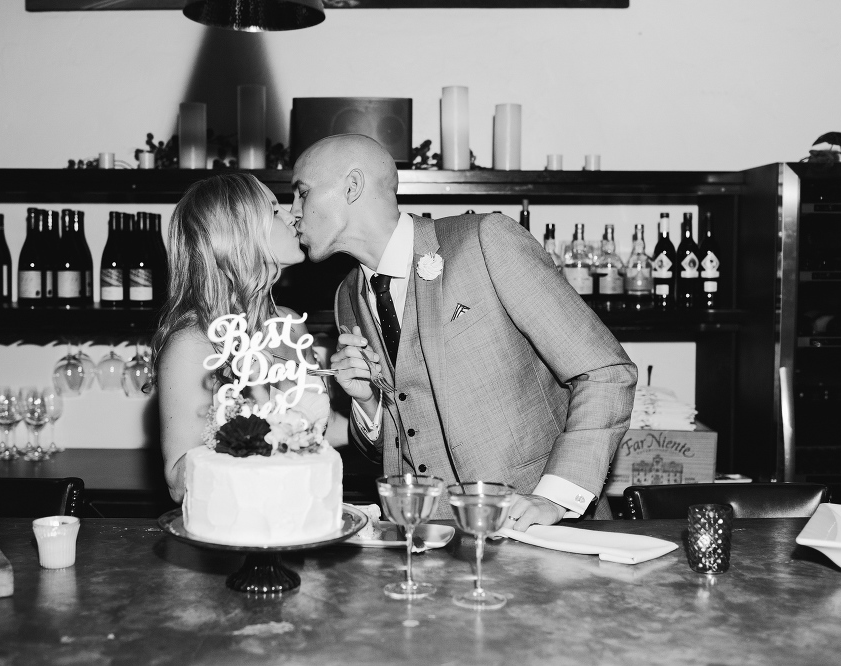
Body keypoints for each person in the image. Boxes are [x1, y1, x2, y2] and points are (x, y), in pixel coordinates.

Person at [290, 134, 637, 527]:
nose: (293, 212)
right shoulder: (347, 298)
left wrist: (554, 499)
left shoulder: (485, 242)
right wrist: (367, 402)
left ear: (352, 186)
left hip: (534, 533)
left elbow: (606, 372)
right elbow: (401, 436)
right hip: (423, 543)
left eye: (301, 193)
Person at [153, 173, 349, 503]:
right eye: (273, 210)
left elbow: (322, 428)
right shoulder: (193, 346)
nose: (292, 215)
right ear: (236, 233)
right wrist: (257, 410)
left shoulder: (288, 323)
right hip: (236, 530)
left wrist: (381, 411)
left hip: (304, 516)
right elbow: (177, 480)